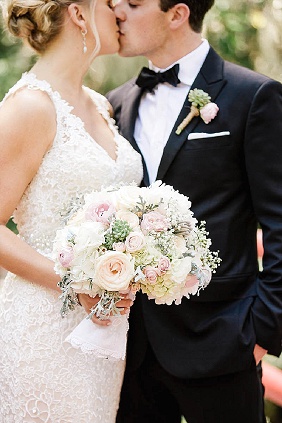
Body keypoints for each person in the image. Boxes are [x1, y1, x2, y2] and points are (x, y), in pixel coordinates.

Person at [106, 1, 282, 422]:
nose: (117, 12)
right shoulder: (115, 104)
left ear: (177, 13)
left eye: (132, 3)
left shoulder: (253, 95)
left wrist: (263, 331)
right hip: (131, 349)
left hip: (223, 339)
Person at [0, 0, 143, 421]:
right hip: (42, 328)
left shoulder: (100, 105)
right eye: (110, 2)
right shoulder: (30, 107)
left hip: (103, 332)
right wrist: (74, 283)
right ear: (80, 14)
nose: (120, 10)